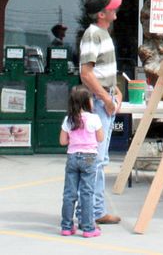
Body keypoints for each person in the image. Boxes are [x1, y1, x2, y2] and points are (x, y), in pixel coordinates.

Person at [78, 0, 123, 225]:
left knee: (99, 158)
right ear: (101, 14)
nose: (115, 11)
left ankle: (94, 210)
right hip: (98, 103)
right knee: (96, 159)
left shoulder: (100, 33)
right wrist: (106, 97)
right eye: (111, 8)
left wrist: (115, 92)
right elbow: (86, 74)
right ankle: (92, 212)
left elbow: (98, 73)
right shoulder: (93, 34)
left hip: (102, 99)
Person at [60, 85, 104, 238]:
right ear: (87, 102)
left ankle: (66, 227)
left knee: (69, 193)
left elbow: (62, 141)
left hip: (72, 157)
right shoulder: (94, 118)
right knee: (87, 193)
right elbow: (100, 138)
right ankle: (88, 228)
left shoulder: (68, 119)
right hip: (89, 158)